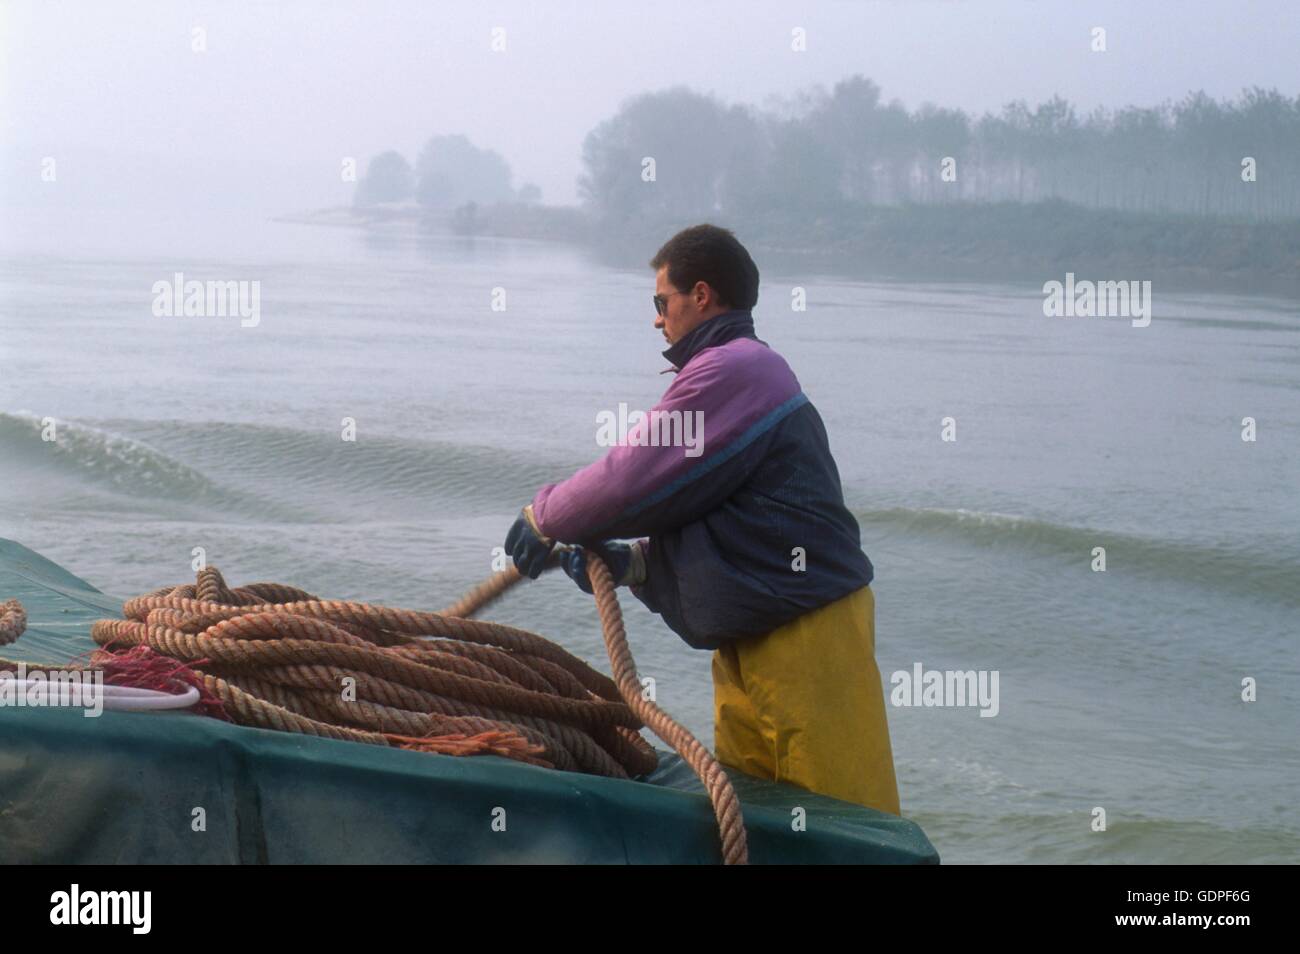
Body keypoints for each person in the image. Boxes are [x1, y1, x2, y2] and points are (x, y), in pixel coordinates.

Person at [504, 223, 899, 814]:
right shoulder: (733, 374)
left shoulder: (737, 369)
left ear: (703, 295)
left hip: (810, 640)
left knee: (845, 822)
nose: (656, 320)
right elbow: (712, 504)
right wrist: (638, 564)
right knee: (759, 818)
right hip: (751, 646)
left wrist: (547, 515)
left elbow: (634, 472)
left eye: (661, 303)